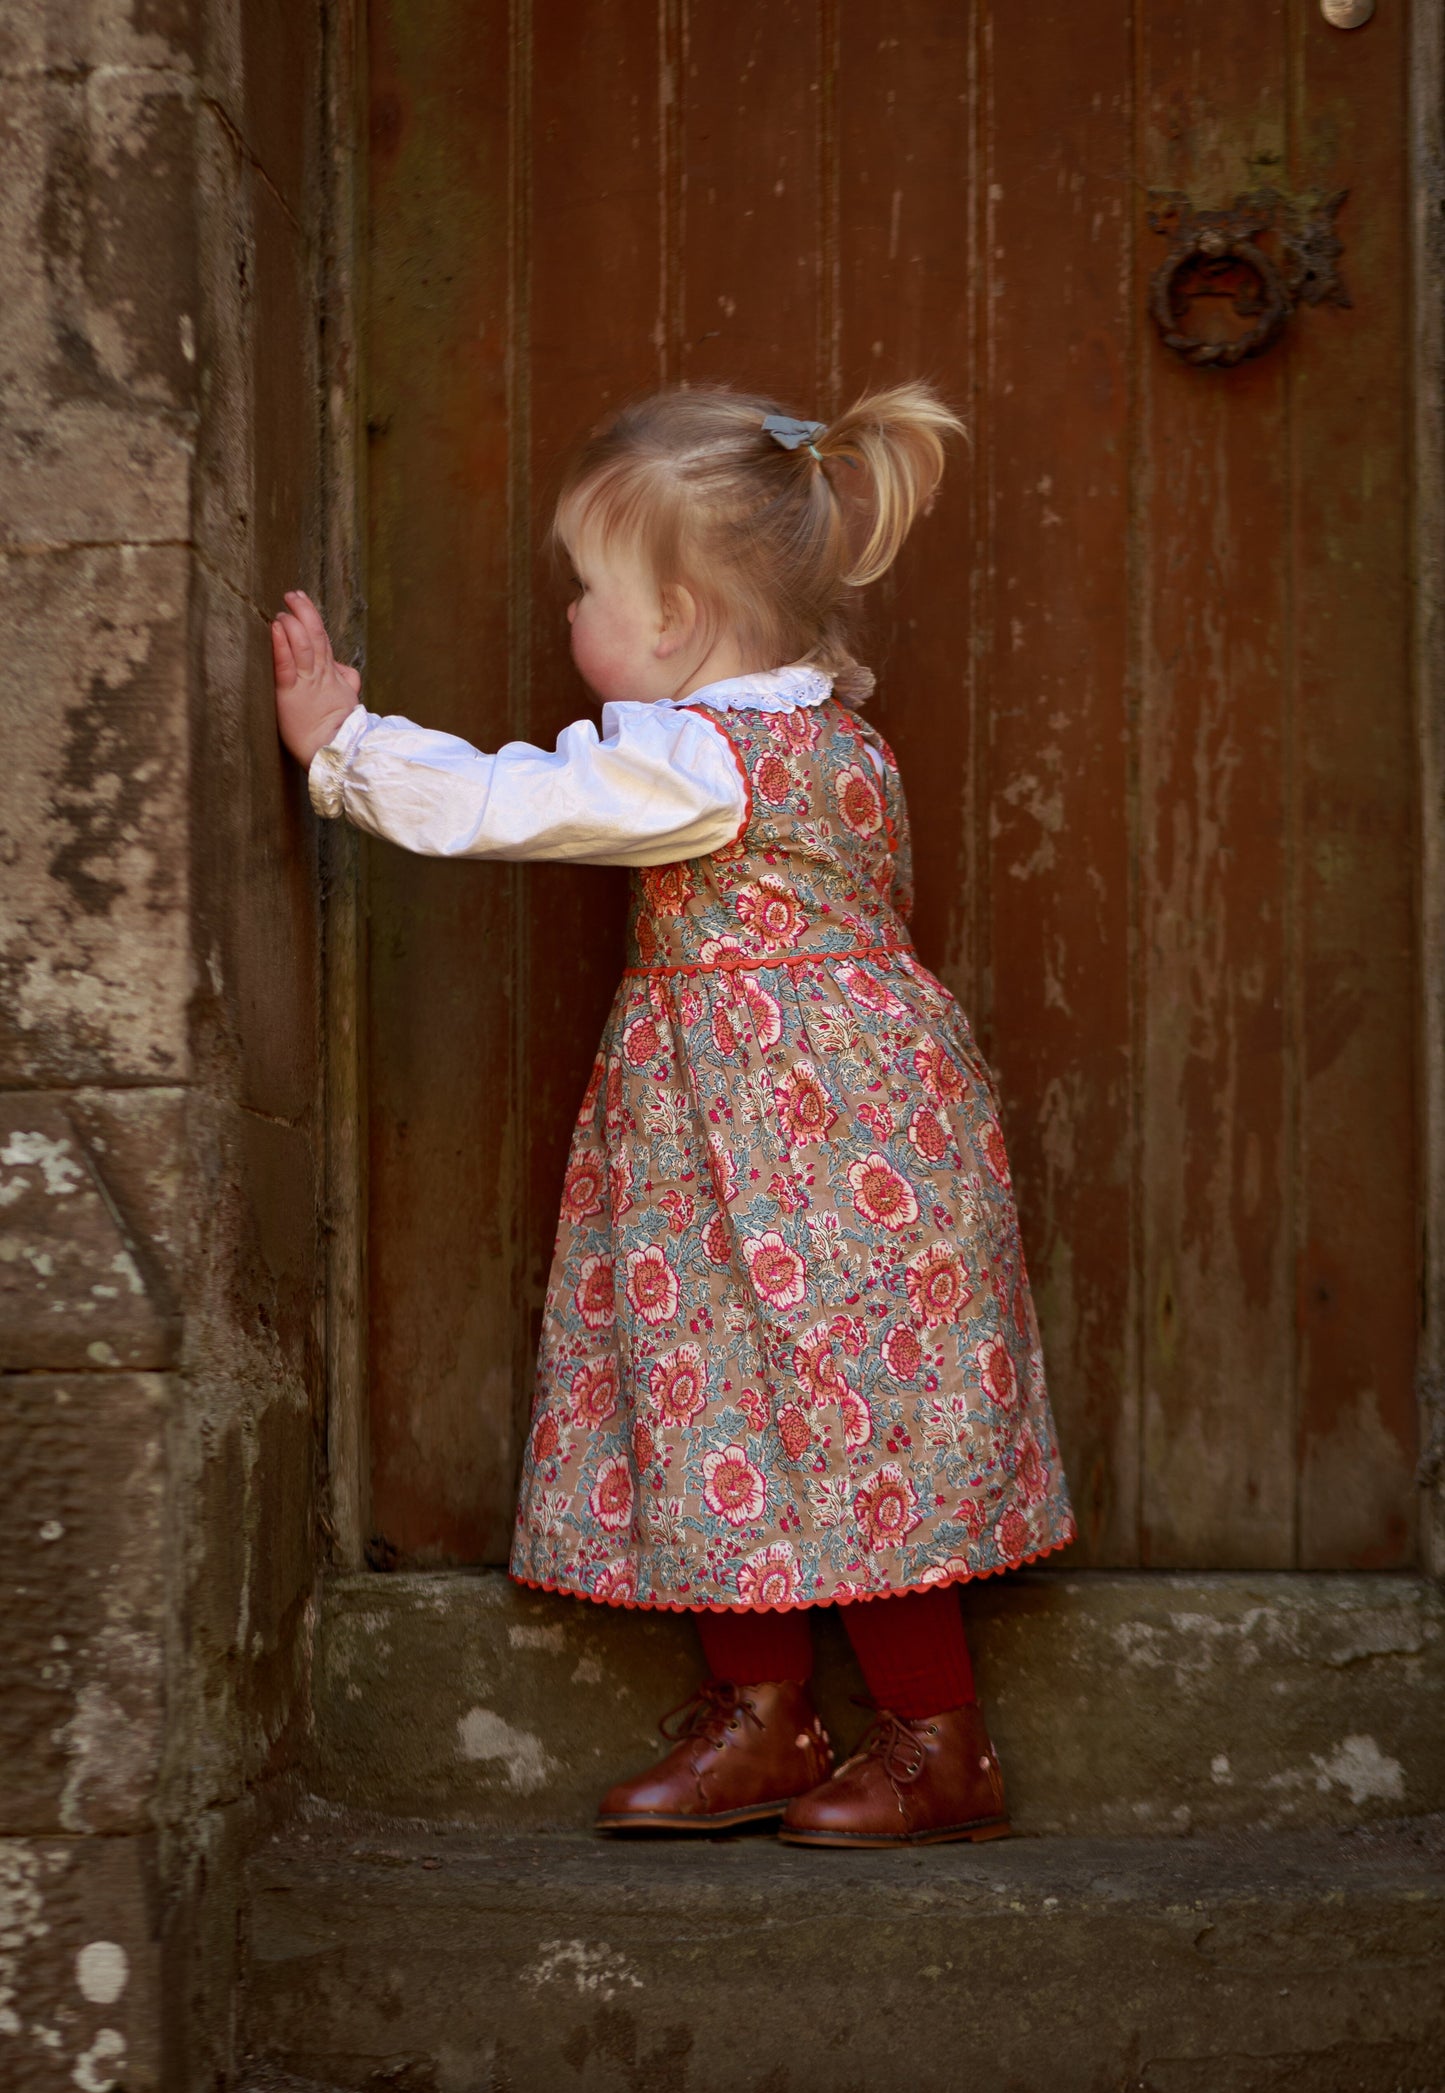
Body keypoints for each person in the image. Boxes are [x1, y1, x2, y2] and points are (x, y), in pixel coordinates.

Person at [273, 383, 1075, 1848]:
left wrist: (348, 743)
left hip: (795, 1130)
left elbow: (522, 803)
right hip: (797, 1120)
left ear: (680, 619)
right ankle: (767, 1721)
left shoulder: (700, 759)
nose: (573, 619)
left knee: (843, 1403)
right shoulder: (833, 737)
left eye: (590, 591)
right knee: (732, 1386)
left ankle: (933, 1738)